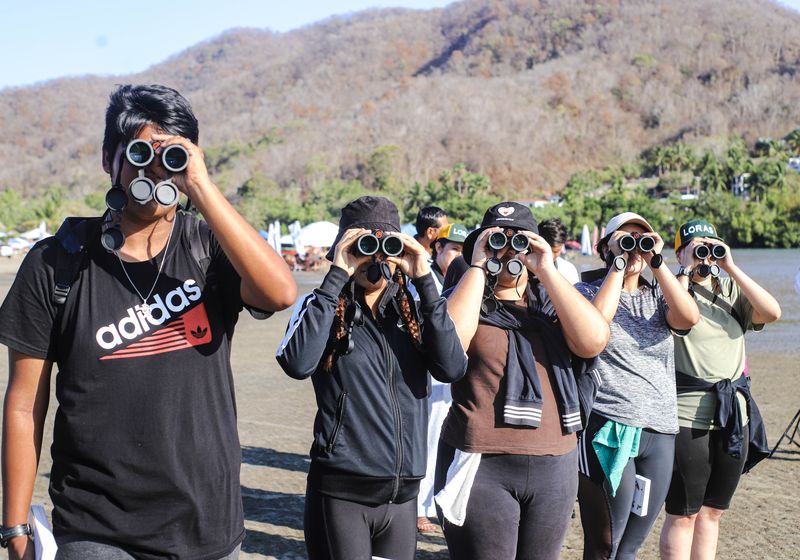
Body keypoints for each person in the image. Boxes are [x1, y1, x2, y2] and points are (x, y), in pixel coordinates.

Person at [0, 84, 297, 559]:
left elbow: (280, 293)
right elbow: (22, 405)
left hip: (208, 527)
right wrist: (14, 527)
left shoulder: (209, 248)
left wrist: (200, 186)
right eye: (140, 154)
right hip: (98, 529)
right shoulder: (56, 263)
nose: (155, 168)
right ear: (108, 159)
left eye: (172, 156)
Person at [275, 196, 466, 560]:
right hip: (342, 492)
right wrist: (336, 277)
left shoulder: (412, 312)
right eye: (362, 247)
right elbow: (297, 363)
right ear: (342, 249)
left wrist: (425, 279)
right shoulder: (322, 306)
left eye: (386, 247)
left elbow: (452, 368)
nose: (374, 259)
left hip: (403, 495)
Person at [434, 202, 609, 560]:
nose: (508, 250)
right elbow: (446, 349)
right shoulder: (465, 298)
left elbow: (593, 340)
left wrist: (545, 267)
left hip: (555, 464)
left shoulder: (553, 302)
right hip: (482, 463)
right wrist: (478, 266)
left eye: (521, 241)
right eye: (496, 241)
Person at [574, 212, 699, 559]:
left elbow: (688, 317)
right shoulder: (584, 292)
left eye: (640, 241)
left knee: (630, 546)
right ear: (604, 248)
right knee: (605, 543)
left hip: (660, 429)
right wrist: (618, 265)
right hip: (608, 426)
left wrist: (656, 261)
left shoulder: (658, 295)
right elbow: (595, 327)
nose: (633, 249)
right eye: (624, 240)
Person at [660, 219, 781, 560]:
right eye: (695, 247)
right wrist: (685, 271)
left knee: (713, 512)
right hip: (687, 418)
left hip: (733, 415)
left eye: (710, 246)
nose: (705, 254)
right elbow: (677, 316)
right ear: (679, 253)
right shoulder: (669, 288)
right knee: (683, 513)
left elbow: (772, 312)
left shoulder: (731, 290)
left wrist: (730, 266)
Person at [416, 222, 468, 533]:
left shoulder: (465, 278)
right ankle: (420, 508)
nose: (457, 256)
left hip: (454, 370)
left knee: (445, 439)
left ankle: (434, 502)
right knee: (428, 436)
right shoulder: (423, 278)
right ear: (438, 248)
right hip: (427, 373)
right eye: (453, 249)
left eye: (463, 251)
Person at [539, 218, 580, 284]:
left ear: (562, 246)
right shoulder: (525, 266)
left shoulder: (569, 270)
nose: (551, 256)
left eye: (555, 252)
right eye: (546, 251)